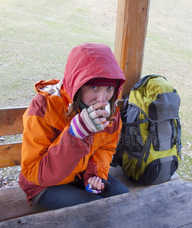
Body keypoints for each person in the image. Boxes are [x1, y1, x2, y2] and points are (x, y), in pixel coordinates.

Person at [19, 43, 129, 210]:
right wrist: (74, 135)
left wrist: (95, 176)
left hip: (79, 174)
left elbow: (106, 148)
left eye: (109, 88)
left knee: (123, 199)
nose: (102, 98)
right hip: (43, 184)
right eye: (94, 87)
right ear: (77, 84)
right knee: (93, 211)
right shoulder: (44, 107)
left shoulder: (110, 112)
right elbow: (35, 172)